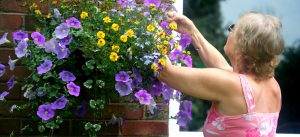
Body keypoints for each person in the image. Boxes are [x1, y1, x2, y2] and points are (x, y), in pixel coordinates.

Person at [158, 11, 284, 137]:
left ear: (243, 42)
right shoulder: (272, 85)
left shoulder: (233, 85)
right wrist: (192, 32)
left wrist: (150, 30)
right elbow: (223, 68)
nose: (229, 31)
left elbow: (166, 72)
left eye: (234, 28)